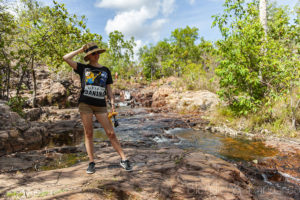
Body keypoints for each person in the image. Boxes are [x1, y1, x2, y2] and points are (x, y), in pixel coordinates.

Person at [63, 42, 132, 173]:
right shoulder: (82, 68)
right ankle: (91, 162)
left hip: (101, 105)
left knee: (110, 133)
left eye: (98, 53)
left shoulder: (105, 70)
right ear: (88, 56)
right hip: (85, 104)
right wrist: (80, 49)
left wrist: (112, 103)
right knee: (88, 133)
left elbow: (109, 90)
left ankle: (124, 159)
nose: (97, 55)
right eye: (93, 53)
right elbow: (66, 58)